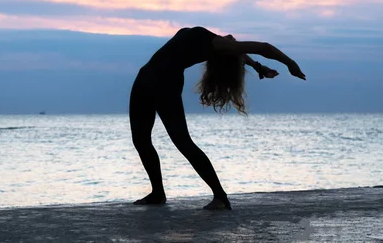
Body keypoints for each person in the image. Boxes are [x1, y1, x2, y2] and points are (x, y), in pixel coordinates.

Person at [129, 26, 306, 210]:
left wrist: (290, 63)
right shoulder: (216, 41)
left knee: (182, 141)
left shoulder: (217, 44)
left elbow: (264, 47)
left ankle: (220, 197)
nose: (233, 40)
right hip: (145, 79)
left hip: (163, 83)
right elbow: (240, 52)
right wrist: (257, 66)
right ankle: (158, 193)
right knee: (140, 139)